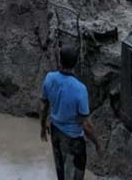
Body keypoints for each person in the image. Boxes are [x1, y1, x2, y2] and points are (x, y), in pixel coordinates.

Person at [39, 45, 100, 180]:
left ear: (60, 61)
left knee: (61, 172)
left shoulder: (49, 78)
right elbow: (85, 124)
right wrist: (97, 143)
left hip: (55, 132)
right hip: (74, 140)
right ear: (76, 63)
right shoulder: (80, 89)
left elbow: (44, 106)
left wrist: (43, 127)